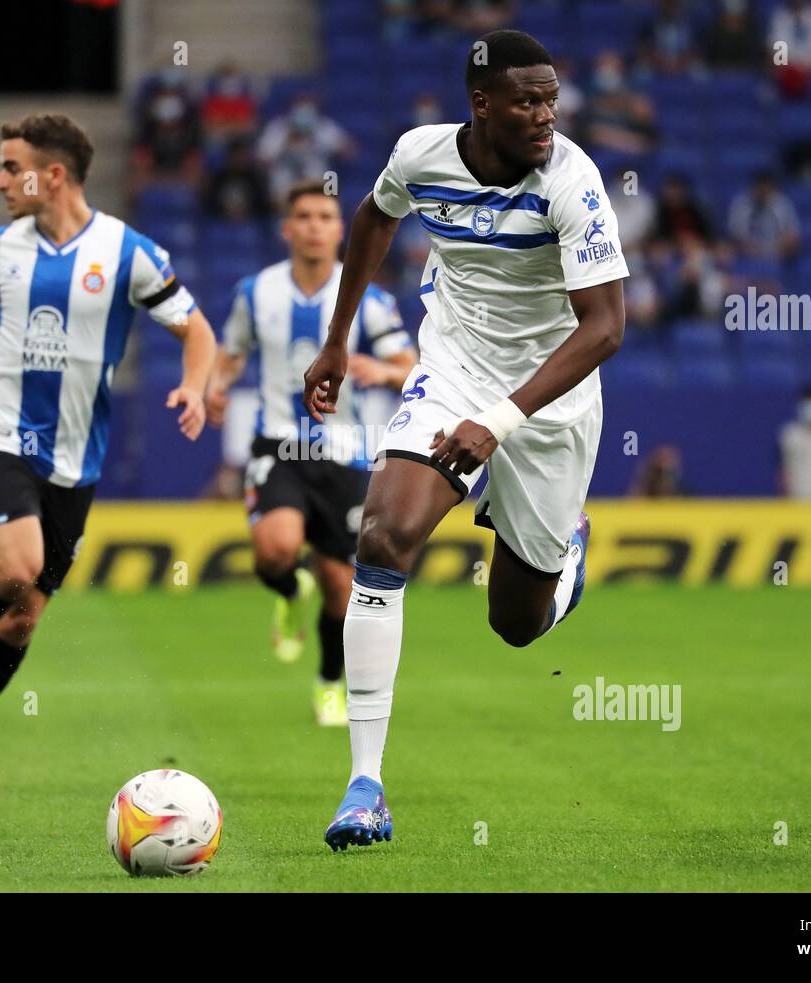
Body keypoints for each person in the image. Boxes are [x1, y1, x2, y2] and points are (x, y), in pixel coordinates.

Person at [301, 31, 627, 850]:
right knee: (383, 535)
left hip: (550, 402)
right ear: (482, 103)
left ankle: (566, 559)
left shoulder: (573, 180)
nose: (546, 115)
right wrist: (339, 338)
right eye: (528, 100)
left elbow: (607, 327)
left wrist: (502, 423)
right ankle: (365, 787)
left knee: (515, 624)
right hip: (453, 372)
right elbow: (375, 215)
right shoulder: (420, 155)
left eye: (552, 98)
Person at [0, 114, 217, 794]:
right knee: (19, 572)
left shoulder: (128, 252)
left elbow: (197, 330)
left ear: (53, 176)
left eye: (11, 167)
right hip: (1, 432)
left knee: (24, 614)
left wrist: (194, 386)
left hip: (78, 457)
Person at [205, 179, 416, 725]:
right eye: (304, 216)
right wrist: (216, 386)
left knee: (342, 591)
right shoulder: (255, 292)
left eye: (325, 216)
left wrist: (384, 369)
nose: (314, 226)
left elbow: (411, 365)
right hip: (278, 443)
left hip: (345, 454)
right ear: (287, 228)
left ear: (339, 229)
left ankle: (328, 682)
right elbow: (231, 354)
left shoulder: (367, 297)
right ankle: (286, 586)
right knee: (276, 549)